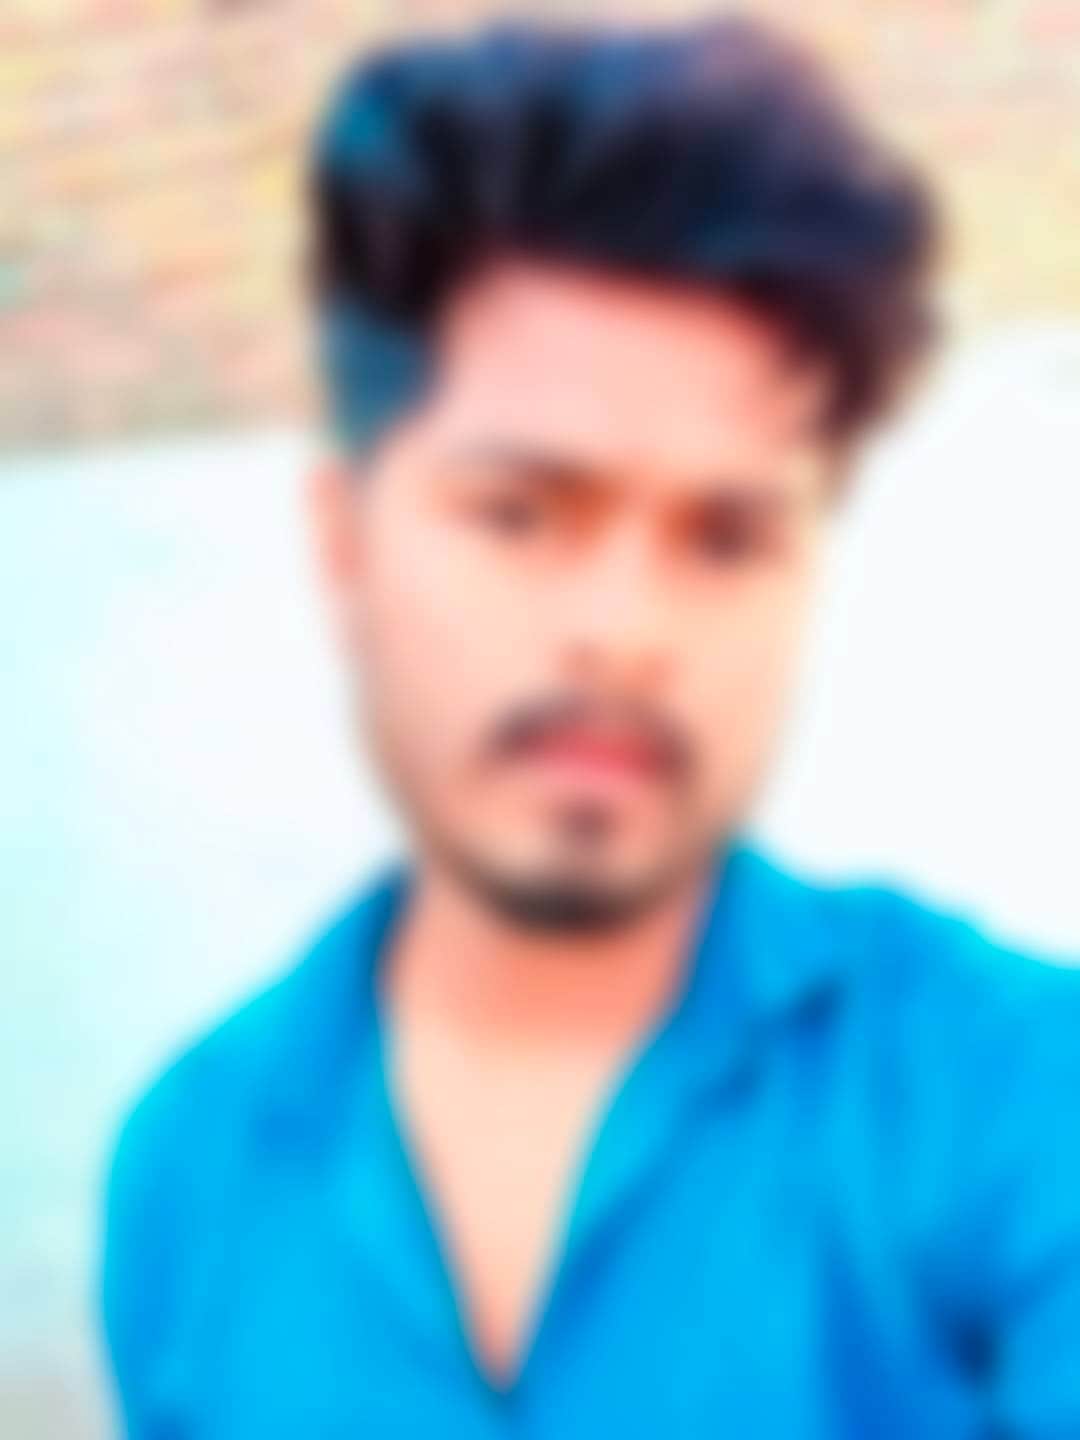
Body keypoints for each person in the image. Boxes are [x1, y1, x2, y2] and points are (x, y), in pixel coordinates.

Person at [100, 18, 1080, 1438]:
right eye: (520, 515)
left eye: (725, 537)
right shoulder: (190, 1177)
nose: (625, 628)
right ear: (345, 542)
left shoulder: (1016, 1102)